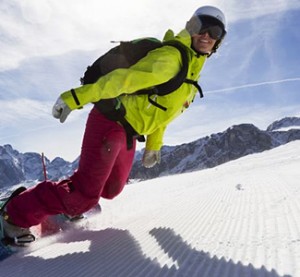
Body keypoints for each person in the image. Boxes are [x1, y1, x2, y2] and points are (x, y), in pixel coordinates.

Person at [1, 6, 227, 241]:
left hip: (129, 133)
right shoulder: (171, 59)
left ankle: (66, 203)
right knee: (85, 197)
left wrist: (153, 145)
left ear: (219, 42)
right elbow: (123, 81)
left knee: (111, 189)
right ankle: (14, 215)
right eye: (202, 27)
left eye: (215, 32)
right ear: (191, 27)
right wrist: (76, 97)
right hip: (111, 121)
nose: (207, 36)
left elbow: (162, 113)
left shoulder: (191, 78)